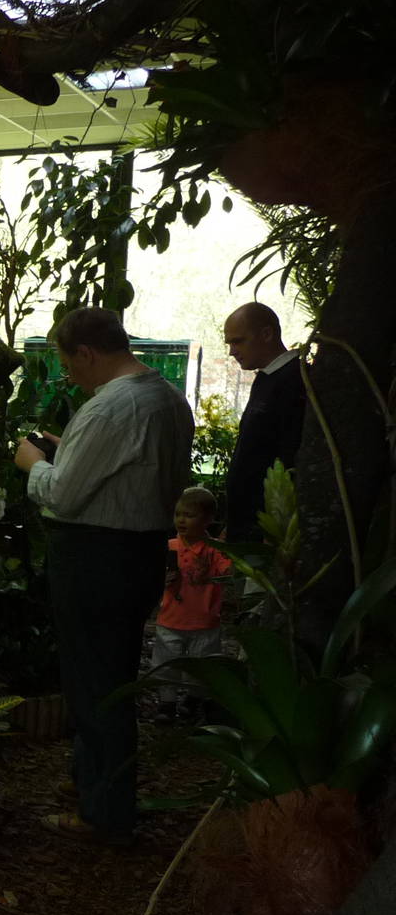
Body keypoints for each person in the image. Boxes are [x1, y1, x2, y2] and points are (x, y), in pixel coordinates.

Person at [14, 308, 194, 845]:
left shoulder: (112, 408)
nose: (69, 376)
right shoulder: (166, 397)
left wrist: (33, 463)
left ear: (87, 353)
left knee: (96, 683)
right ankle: (92, 783)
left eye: (69, 364)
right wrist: (65, 450)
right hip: (137, 551)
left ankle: (105, 813)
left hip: (96, 556)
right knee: (107, 675)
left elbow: (65, 494)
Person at [223, 302, 304, 541]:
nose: (232, 351)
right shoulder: (267, 378)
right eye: (230, 343)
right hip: (251, 524)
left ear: (266, 334)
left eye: (238, 341)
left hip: (270, 530)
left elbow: (291, 454)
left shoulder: (294, 380)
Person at [151, 486, 232, 720]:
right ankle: (166, 704)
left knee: (202, 667)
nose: (182, 520)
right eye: (178, 514)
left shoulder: (215, 550)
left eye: (190, 515)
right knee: (166, 664)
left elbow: (228, 573)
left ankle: (193, 699)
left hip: (204, 622)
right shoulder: (169, 547)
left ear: (208, 520)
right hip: (170, 619)